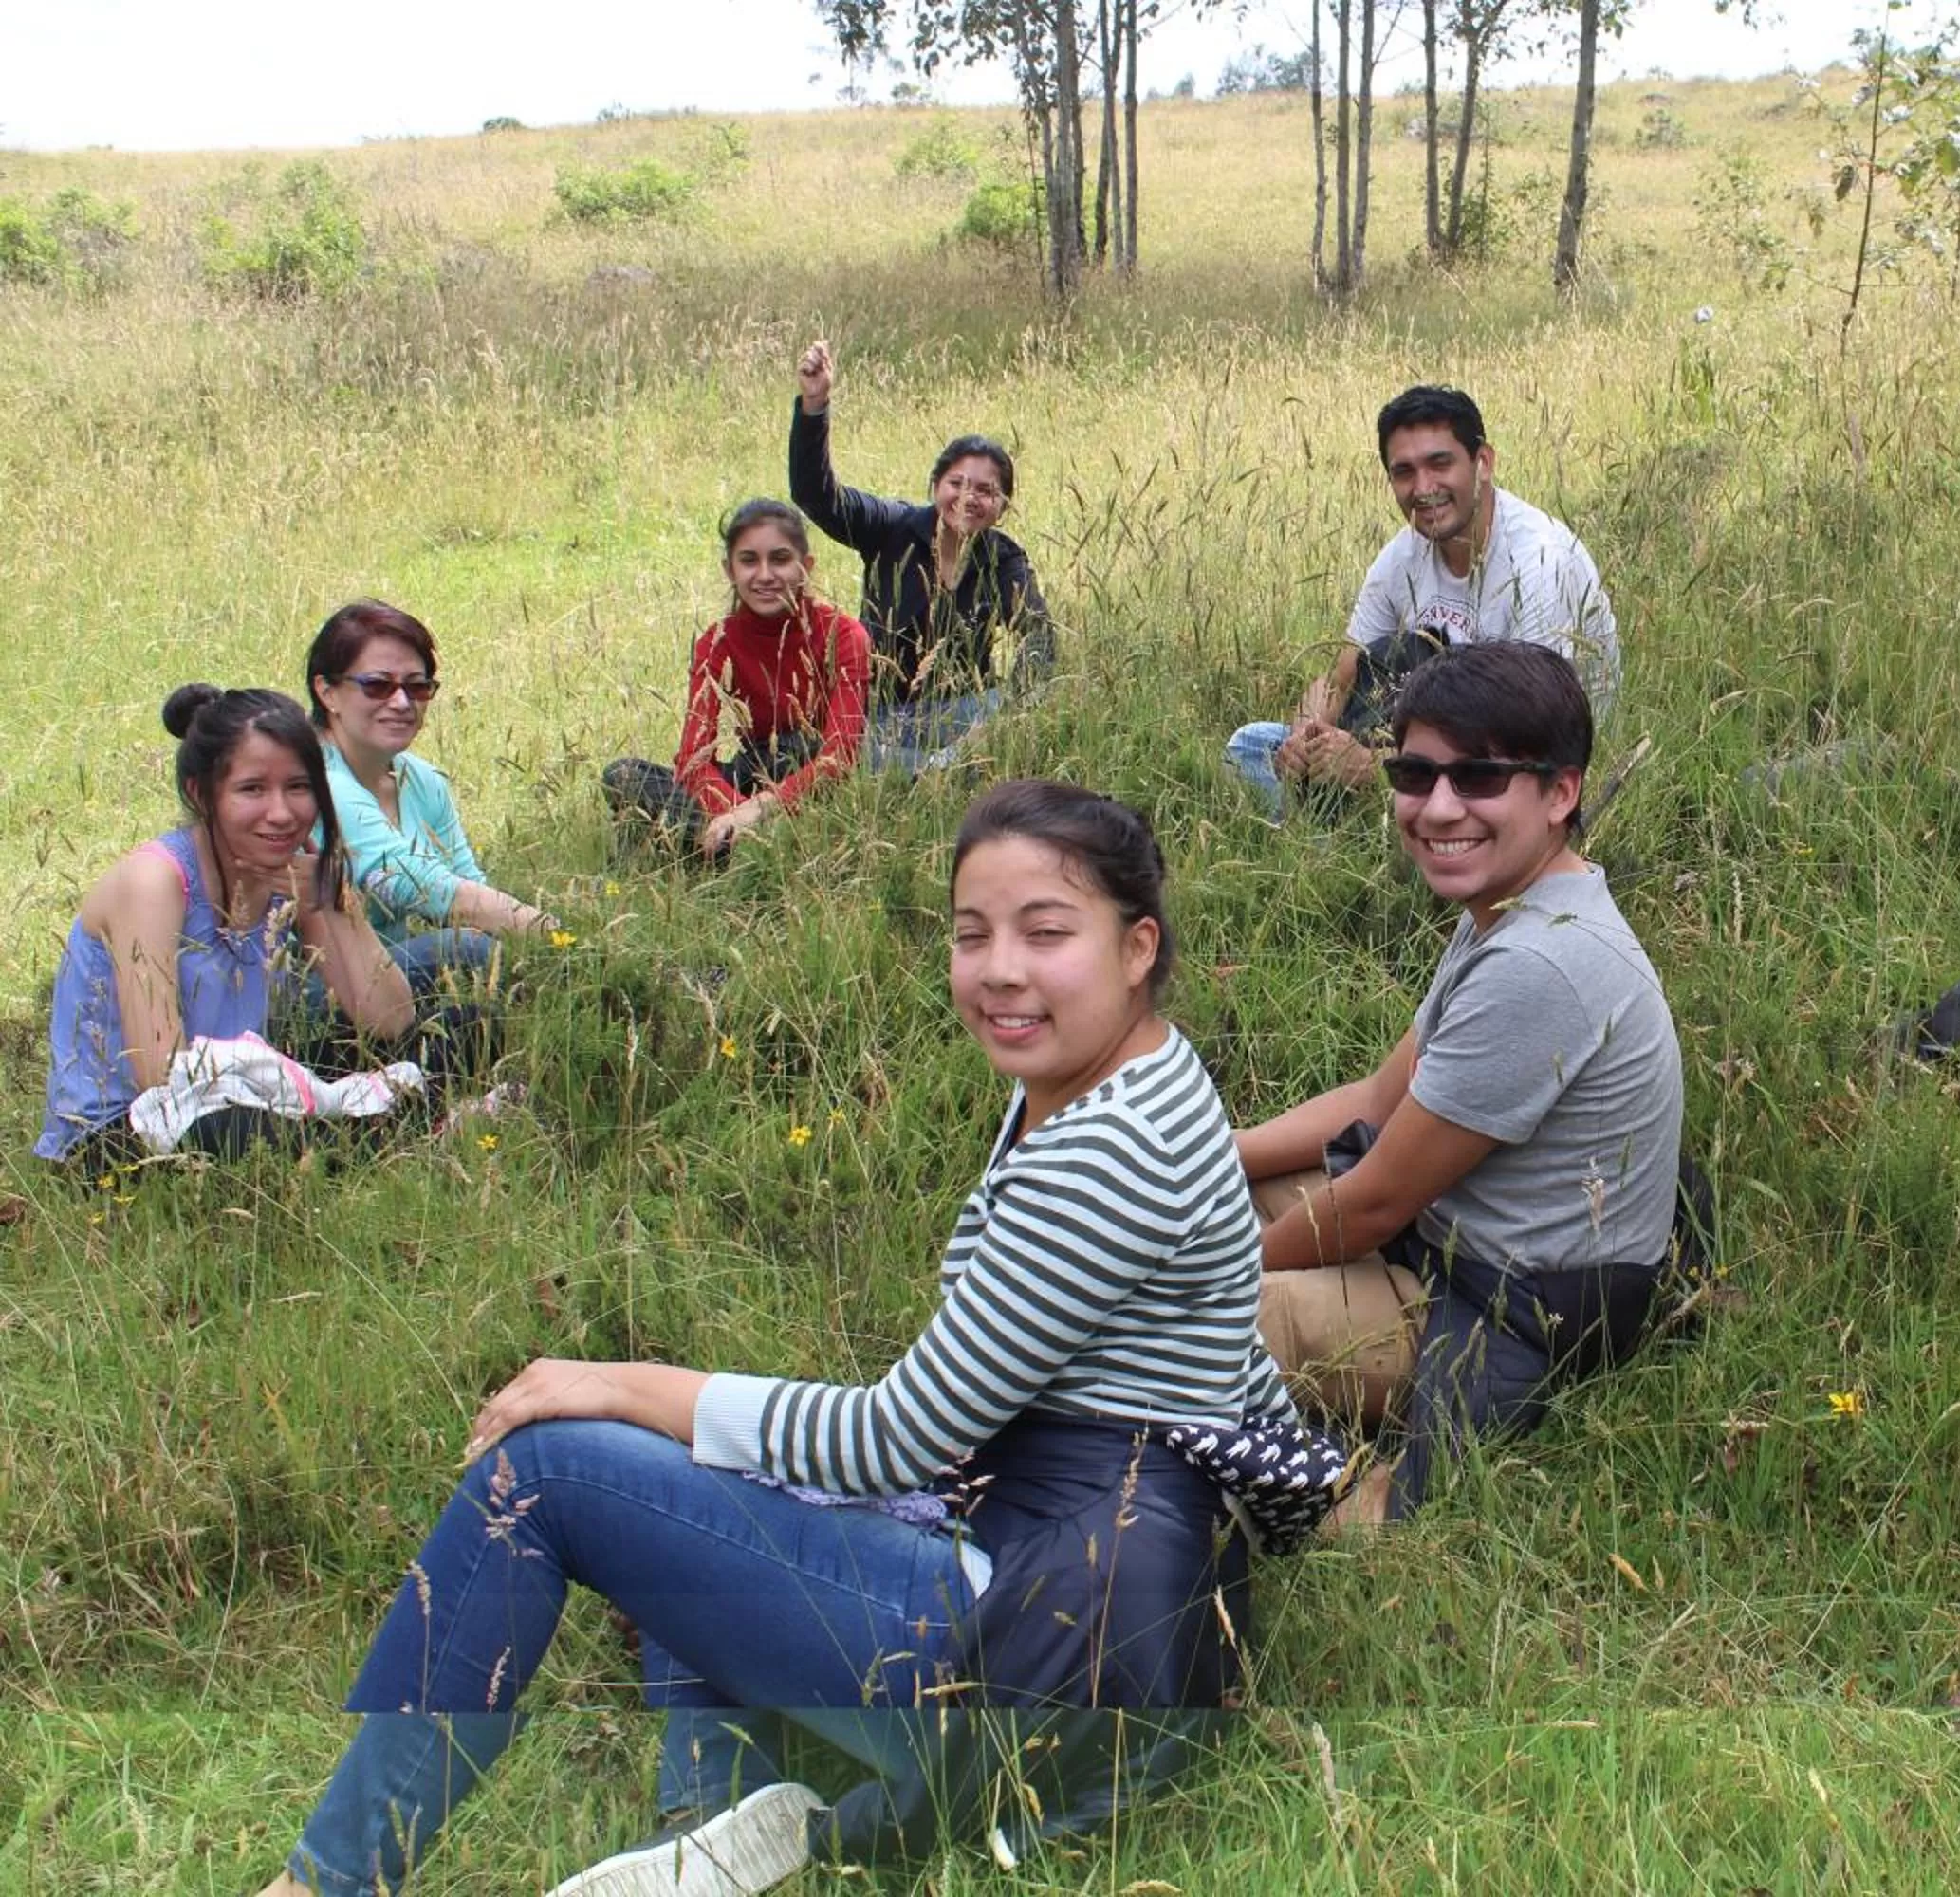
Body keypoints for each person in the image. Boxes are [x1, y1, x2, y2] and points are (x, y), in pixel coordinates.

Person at [255, 779, 1301, 1897]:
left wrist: (617, 1381)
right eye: (971, 933)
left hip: (1041, 1655)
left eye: (1047, 932)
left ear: (1137, 946)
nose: (1001, 968)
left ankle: (325, 1882)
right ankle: (714, 1820)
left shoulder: (1108, 1151)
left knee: (550, 1473)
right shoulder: (1123, 1072)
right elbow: (1214, 1348)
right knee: (695, 1471)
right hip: (1098, 1593)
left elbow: (893, 1439)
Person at [1235, 643, 1683, 1520]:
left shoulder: (1540, 964)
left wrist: (1204, 1282)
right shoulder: (1512, 908)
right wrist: (1211, 1155)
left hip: (1497, 1302)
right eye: (1415, 773)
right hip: (1445, 1235)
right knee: (1199, 1201)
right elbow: (1376, 1101)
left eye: (1478, 777)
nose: (1439, 808)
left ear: (1562, 792)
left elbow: (1370, 1207)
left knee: (1171, 1327)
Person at [36, 685, 424, 1164]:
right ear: (202, 793)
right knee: (234, 1131)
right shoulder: (154, 881)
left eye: (299, 787)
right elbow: (161, 1077)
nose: (281, 813)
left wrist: (334, 902)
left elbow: (389, 1021)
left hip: (252, 1086)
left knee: (455, 1030)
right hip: (131, 1132)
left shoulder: (293, 869)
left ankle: (362, 1140)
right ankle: (394, 1138)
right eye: (252, 789)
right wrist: (299, 1091)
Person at [1225, 385, 1619, 820]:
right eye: (1404, 472)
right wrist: (1305, 737)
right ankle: (1336, 832)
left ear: (1483, 463)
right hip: (1421, 749)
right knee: (1251, 744)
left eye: (1440, 464)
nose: (1423, 488)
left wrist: (1374, 769)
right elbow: (1340, 678)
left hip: (1518, 767)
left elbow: (1526, 739)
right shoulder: (1402, 555)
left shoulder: (1541, 564)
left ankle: (1342, 839)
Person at [790, 337, 1053, 772]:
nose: (968, 498)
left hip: (962, 716)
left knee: (1005, 707)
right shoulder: (891, 527)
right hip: (881, 717)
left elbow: (1040, 634)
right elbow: (817, 496)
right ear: (935, 487)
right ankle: (934, 770)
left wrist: (1013, 712)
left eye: (986, 491)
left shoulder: (1002, 560)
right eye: (956, 483)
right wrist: (814, 406)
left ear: (1002, 507)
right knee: (844, 743)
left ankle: (942, 765)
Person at [299, 599, 556, 1006]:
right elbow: (426, 890)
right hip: (306, 992)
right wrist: (560, 940)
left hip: (385, 985)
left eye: (417, 687)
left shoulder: (421, 780)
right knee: (467, 954)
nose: (402, 702)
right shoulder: (315, 782)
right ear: (327, 691)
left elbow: (467, 882)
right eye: (378, 685)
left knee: (478, 979)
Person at [601, 499, 873, 857]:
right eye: (749, 561)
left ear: (805, 567)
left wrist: (760, 808)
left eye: (779, 559)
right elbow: (693, 758)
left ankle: (719, 850)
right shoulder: (717, 641)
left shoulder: (843, 633)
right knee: (623, 775)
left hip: (813, 782)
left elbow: (840, 755)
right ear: (730, 570)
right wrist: (733, 812)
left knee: (797, 749)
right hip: (751, 775)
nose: (764, 575)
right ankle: (757, 850)